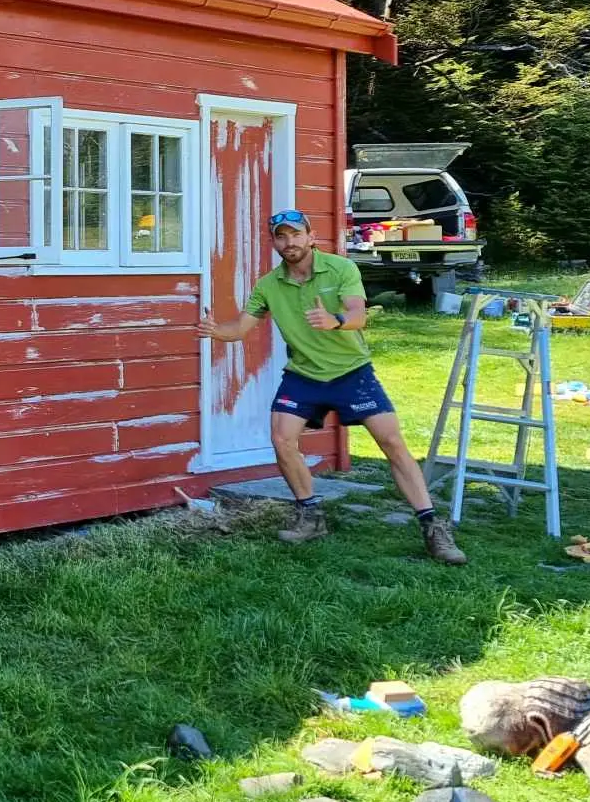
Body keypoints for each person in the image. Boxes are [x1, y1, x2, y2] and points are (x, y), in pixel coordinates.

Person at [196, 208, 468, 565]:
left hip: (351, 371)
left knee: (392, 442)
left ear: (310, 237)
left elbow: (359, 316)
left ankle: (433, 527)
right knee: (282, 438)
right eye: (281, 236)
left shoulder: (342, 269)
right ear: (274, 242)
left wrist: (334, 320)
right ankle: (310, 516)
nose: (289, 242)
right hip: (304, 374)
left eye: (295, 234)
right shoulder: (268, 285)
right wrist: (217, 332)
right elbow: (241, 328)